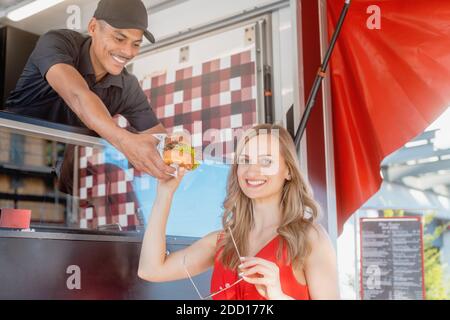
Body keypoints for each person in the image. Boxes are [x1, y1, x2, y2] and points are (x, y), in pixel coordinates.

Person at [138, 124, 340, 300]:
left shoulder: (310, 239)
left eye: (266, 161)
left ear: (288, 170)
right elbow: (151, 270)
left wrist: (279, 296)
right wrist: (165, 193)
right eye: (245, 160)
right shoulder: (223, 241)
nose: (252, 171)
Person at [5, 0, 175, 181]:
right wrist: (126, 142)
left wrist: (181, 150)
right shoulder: (57, 43)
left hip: (57, 182)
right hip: (9, 154)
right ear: (93, 27)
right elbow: (78, 96)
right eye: (119, 38)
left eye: (136, 44)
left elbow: (159, 139)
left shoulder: (127, 87)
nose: (127, 51)